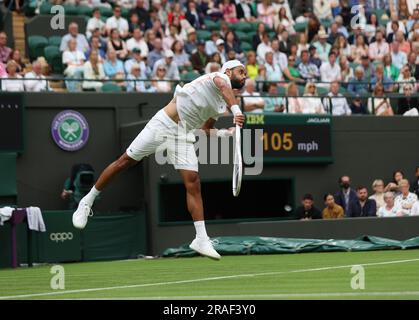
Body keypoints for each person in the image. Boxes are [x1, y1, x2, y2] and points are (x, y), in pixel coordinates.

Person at [72, 60, 247, 260]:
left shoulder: (220, 104)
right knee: (125, 162)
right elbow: (223, 86)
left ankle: (201, 238)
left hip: (183, 135)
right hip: (163, 125)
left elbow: (205, 130)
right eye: (241, 71)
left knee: (193, 182)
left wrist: (226, 134)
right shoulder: (217, 78)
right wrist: (236, 111)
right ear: (227, 70)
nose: (244, 76)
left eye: (245, 74)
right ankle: (88, 200)